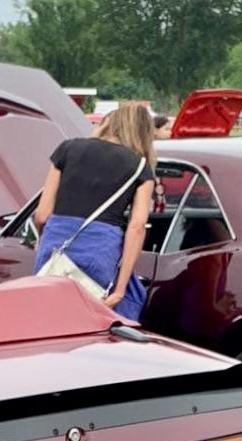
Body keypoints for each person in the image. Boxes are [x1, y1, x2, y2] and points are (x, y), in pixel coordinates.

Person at [33, 102, 155, 319]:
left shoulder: (67, 149)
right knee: (87, 324)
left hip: (55, 246)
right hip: (100, 251)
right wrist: (120, 289)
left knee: (48, 319)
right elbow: (137, 228)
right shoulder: (139, 167)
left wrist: (42, 241)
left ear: (110, 124)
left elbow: (42, 214)